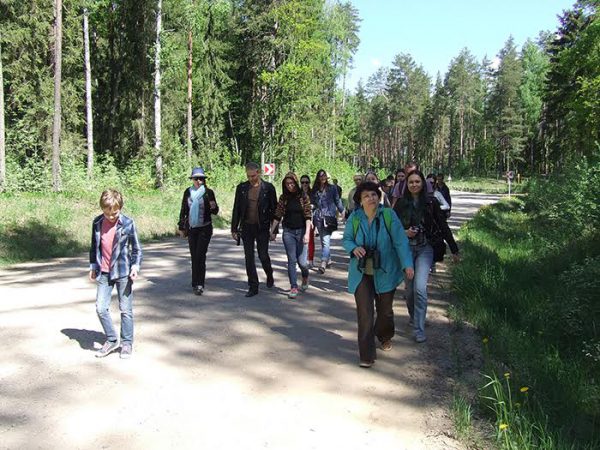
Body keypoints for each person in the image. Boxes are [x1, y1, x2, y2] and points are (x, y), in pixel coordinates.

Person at [342, 182, 414, 368]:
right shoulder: (355, 218)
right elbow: (347, 239)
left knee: (385, 312)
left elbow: (400, 241)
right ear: (360, 200)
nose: (371, 198)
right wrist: (354, 248)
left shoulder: (388, 215)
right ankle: (366, 355)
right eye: (366, 196)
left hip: (385, 271)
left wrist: (407, 264)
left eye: (374, 195)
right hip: (361, 273)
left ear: (379, 196)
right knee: (364, 313)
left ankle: (385, 336)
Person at [394, 170, 459, 343]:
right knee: (409, 291)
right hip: (406, 250)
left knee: (420, 288)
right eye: (411, 182)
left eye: (417, 181)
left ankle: (419, 328)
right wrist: (404, 232)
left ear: (423, 183)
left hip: (425, 248)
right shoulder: (400, 204)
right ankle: (413, 316)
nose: (414, 184)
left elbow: (443, 225)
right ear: (406, 185)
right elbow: (392, 228)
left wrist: (454, 249)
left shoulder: (431, 202)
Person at [89, 189, 142, 359]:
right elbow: (94, 247)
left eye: (115, 213)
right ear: (102, 209)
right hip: (103, 272)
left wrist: (135, 267)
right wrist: (93, 266)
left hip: (123, 272)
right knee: (100, 308)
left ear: (120, 208)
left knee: (125, 309)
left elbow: (137, 249)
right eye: (107, 213)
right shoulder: (97, 223)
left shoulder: (128, 223)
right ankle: (112, 339)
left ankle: (126, 343)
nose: (111, 216)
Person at [231, 162, 277, 297]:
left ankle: (269, 273)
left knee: (263, 255)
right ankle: (253, 286)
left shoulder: (268, 188)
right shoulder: (242, 188)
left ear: (259, 173)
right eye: (248, 176)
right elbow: (237, 209)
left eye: (253, 175)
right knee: (249, 257)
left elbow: (275, 210)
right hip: (246, 227)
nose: (251, 178)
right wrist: (234, 228)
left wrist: (274, 231)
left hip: (262, 227)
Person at [270, 172, 312, 299]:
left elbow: (308, 216)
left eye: (292, 183)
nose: (290, 186)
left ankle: (305, 276)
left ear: (296, 182)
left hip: (301, 231)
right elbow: (278, 215)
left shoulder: (303, 197)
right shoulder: (284, 198)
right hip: (288, 231)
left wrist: (307, 234)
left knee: (302, 262)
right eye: (287, 184)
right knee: (291, 260)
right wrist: (272, 231)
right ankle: (293, 286)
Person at [177, 167, 219, 295]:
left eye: (201, 178)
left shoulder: (208, 192)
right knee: (194, 255)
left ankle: (199, 283)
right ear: (192, 179)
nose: (199, 181)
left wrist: (214, 206)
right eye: (196, 178)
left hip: (205, 228)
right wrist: (181, 227)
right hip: (192, 228)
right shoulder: (188, 192)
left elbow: (215, 211)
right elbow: (184, 209)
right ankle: (195, 282)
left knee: (200, 255)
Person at [311, 169, 345, 274]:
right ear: (318, 177)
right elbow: (313, 203)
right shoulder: (315, 190)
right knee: (323, 241)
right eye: (320, 176)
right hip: (318, 218)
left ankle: (323, 263)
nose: (322, 177)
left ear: (326, 177)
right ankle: (329, 260)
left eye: (324, 175)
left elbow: (337, 201)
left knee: (325, 241)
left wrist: (343, 212)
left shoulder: (332, 188)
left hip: (329, 218)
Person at [300, 174, 316, 268]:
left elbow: (317, 204)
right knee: (300, 240)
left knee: (310, 240)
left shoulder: (312, 192)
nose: (305, 184)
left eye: (306, 182)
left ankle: (310, 260)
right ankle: (301, 260)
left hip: (311, 219)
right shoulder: (298, 192)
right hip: (299, 219)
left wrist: (313, 206)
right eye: (302, 182)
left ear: (309, 183)